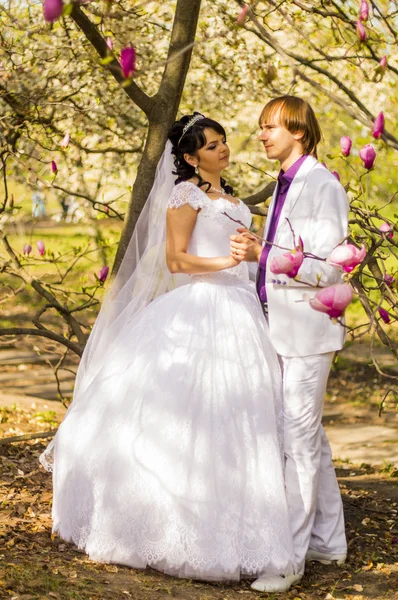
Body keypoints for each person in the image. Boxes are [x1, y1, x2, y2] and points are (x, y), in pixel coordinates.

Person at [40, 113, 296, 583]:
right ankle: (171, 527)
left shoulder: (234, 200)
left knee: (240, 418)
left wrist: (250, 254)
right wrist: (229, 260)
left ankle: (239, 526)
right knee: (193, 414)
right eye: (212, 144)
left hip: (241, 312)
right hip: (200, 309)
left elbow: (240, 252)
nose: (223, 149)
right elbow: (175, 259)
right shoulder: (185, 195)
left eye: (223, 142)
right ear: (189, 156)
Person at [230, 96, 349, 593]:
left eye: (270, 127)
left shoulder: (322, 186)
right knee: (309, 440)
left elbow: (332, 268)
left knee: (296, 445)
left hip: (306, 335)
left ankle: (289, 560)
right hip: (275, 330)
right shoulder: (284, 184)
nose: (261, 135)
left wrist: (265, 252)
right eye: (260, 127)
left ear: (298, 131)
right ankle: (328, 542)